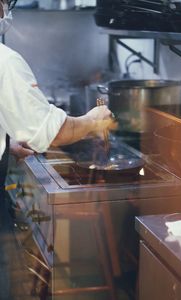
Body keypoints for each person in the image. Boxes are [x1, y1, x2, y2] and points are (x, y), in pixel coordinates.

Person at [0, 0, 115, 200]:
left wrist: (5, 146)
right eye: (5, 3)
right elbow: (55, 134)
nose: (6, 10)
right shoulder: (6, 61)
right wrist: (94, 119)